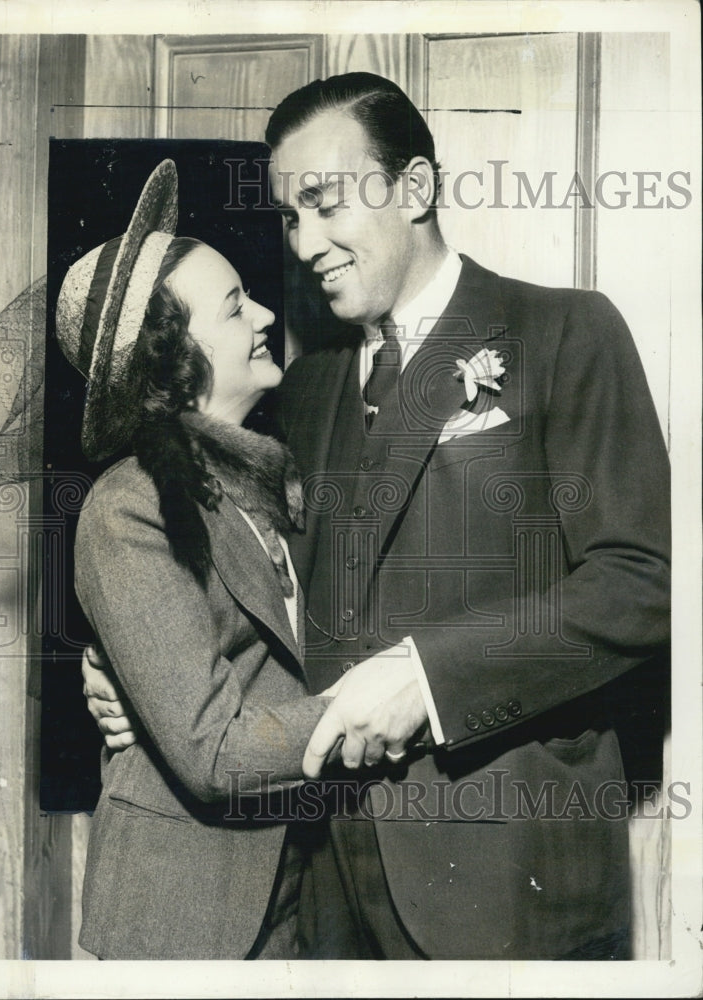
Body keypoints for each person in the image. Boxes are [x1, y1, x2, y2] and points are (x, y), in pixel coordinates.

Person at [83, 74, 670, 960]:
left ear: (418, 188)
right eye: (288, 215)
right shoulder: (304, 384)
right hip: (323, 883)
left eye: (323, 203)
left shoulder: (565, 332)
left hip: (505, 883)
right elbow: (246, 582)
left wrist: (427, 680)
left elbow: (641, 583)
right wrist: (131, 670)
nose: (305, 241)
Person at [57, 158, 350, 960]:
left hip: (297, 896)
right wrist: (380, 707)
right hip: (181, 920)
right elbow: (212, 752)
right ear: (173, 361)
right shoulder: (130, 505)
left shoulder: (266, 469)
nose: (262, 312)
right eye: (232, 307)